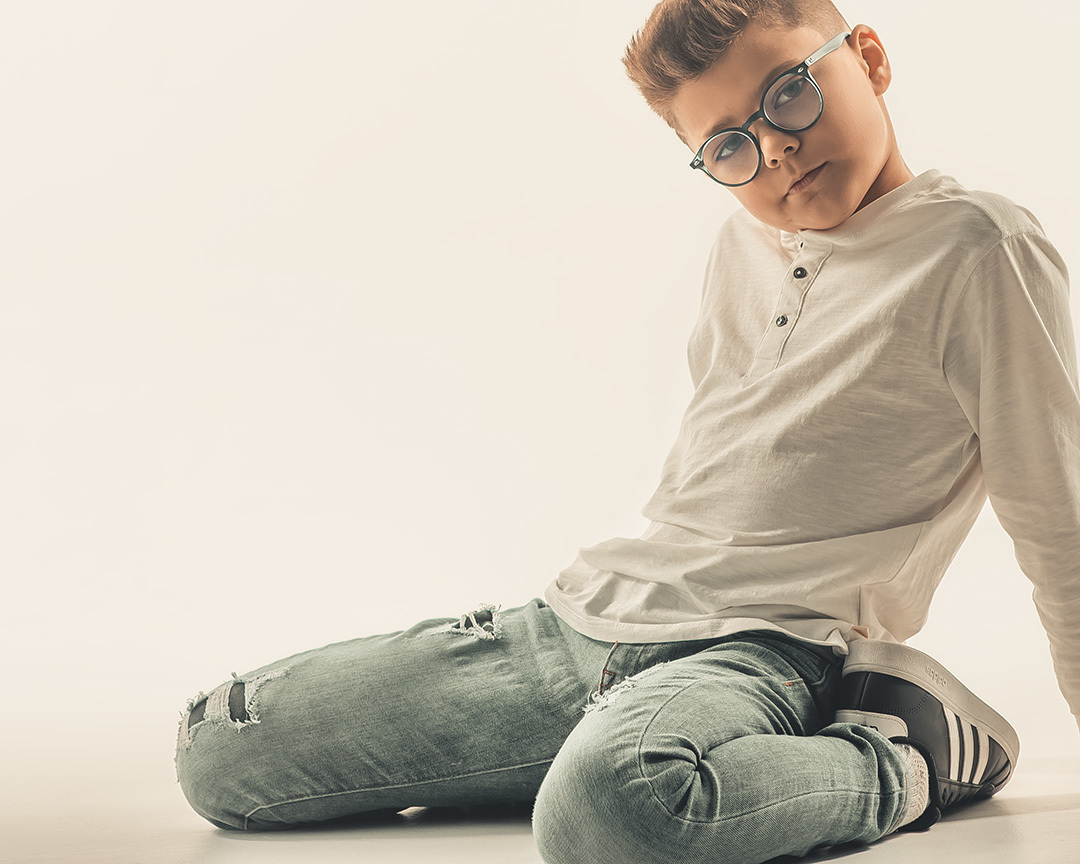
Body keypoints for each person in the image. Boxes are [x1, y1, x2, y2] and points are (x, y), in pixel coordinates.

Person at [174, 1, 1080, 861]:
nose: (773, 150)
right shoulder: (741, 245)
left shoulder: (980, 250)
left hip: (769, 649)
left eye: (788, 93)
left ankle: (905, 759)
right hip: (588, 621)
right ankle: (591, 753)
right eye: (729, 145)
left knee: (614, 813)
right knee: (223, 746)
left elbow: (1060, 521)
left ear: (869, 59)